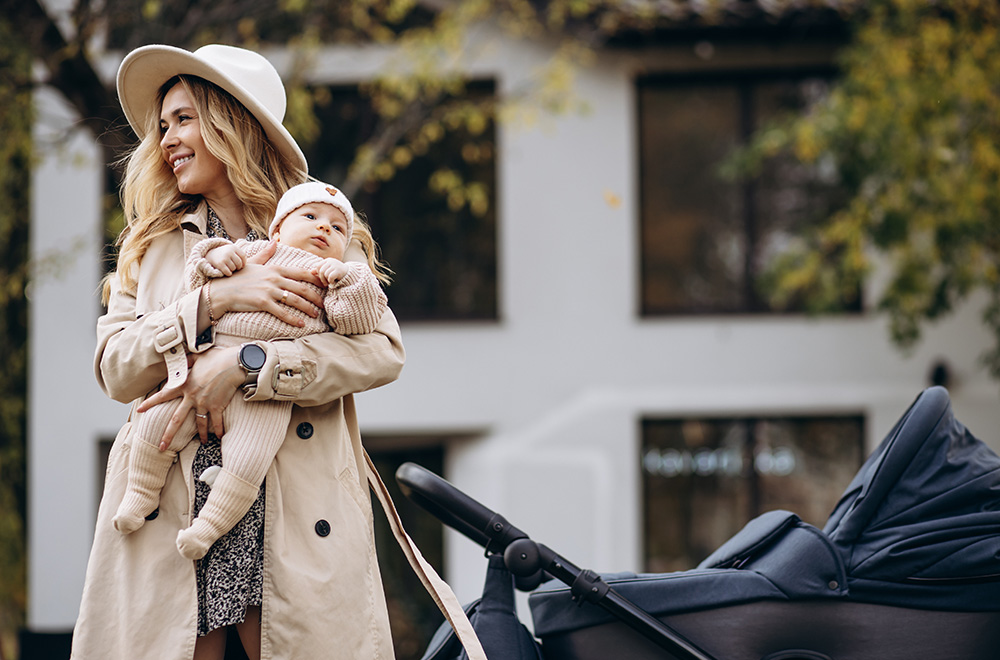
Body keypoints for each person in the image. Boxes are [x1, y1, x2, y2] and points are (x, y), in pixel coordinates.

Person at [71, 44, 406, 660]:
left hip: (287, 502)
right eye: (163, 125)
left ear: (232, 124)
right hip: (170, 500)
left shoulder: (319, 226)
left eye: (185, 119)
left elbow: (381, 351)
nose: (167, 138)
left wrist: (250, 368)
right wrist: (211, 305)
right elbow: (116, 370)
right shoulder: (147, 245)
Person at [112, 181, 389, 562]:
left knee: (248, 459)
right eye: (310, 218)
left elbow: (367, 333)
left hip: (266, 400)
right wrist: (216, 279)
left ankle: (207, 528)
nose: (324, 228)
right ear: (278, 230)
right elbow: (198, 273)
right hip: (186, 397)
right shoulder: (245, 250)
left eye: (338, 228)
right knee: (155, 426)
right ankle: (139, 493)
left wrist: (347, 279)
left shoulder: (337, 270)